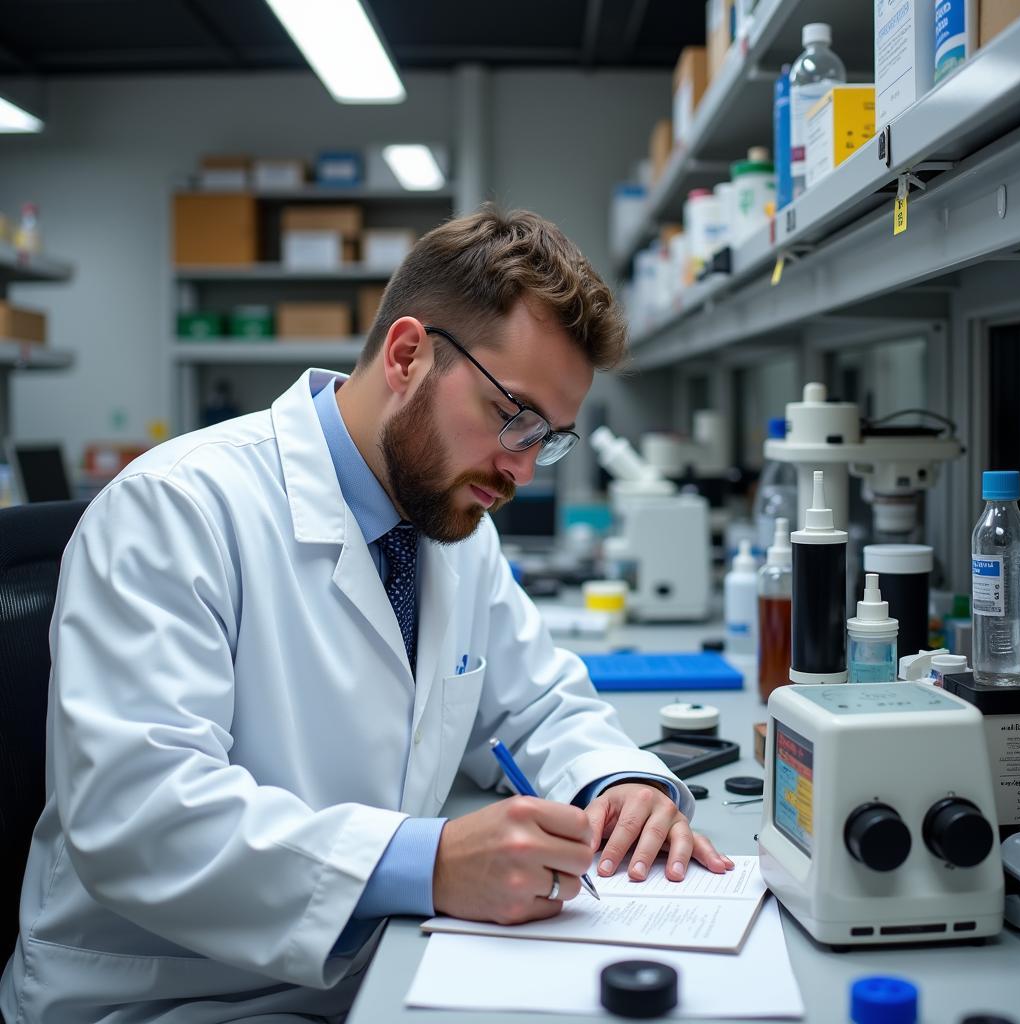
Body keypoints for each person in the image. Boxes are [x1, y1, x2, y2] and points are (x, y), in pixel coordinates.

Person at [0, 207, 732, 1023]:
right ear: (408, 355)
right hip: (170, 994)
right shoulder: (176, 510)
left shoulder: (451, 520)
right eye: (513, 417)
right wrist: (430, 862)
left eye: (549, 438)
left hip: (374, 968)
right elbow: (140, 817)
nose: (523, 469)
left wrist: (618, 780)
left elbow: (536, 702)